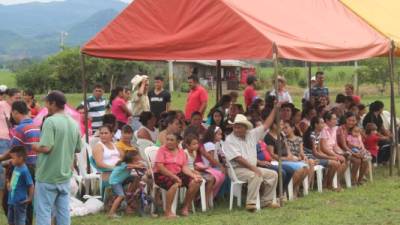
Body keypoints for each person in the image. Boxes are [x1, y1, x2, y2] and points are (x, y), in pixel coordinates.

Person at [33, 90, 82, 225]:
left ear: (53, 103)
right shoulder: (73, 123)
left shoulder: (50, 121)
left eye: (47, 103)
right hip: (65, 176)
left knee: (43, 212)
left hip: (47, 175)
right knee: (63, 213)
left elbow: (46, 148)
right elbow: (78, 148)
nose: (46, 107)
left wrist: (34, 146)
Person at [223, 105, 280, 212]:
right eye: (235, 127)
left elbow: (266, 125)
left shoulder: (251, 134)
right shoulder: (230, 140)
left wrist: (275, 109)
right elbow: (239, 159)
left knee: (273, 174)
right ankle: (251, 203)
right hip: (237, 170)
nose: (236, 129)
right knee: (255, 175)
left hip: (250, 167)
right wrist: (255, 168)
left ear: (245, 127)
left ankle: (266, 201)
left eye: (239, 127)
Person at [0, 101, 40, 225]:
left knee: (9, 199)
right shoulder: (36, 126)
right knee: (27, 200)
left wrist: (1, 158)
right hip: (34, 167)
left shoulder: (20, 128)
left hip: (21, 167)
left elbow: (13, 151)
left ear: (16, 112)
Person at [154, 133, 202, 218]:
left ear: (178, 142)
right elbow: (160, 167)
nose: (168, 142)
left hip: (178, 173)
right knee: (174, 184)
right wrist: (174, 177)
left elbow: (184, 167)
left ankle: (185, 208)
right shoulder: (162, 150)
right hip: (161, 174)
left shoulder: (181, 152)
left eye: (171, 140)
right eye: (167, 139)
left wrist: (193, 175)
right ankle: (168, 212)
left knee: (196, 181)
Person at [264, 121, 307, 199]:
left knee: (305, 167)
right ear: (274, 125)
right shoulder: (268, 137)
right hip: (278, 160)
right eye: (280, 124)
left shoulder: (281, 134)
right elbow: (271, 154)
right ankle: (287, 191)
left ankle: (293, 190)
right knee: (300, 169)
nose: (282, 127)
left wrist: (291, 157)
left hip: (287, 159)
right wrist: (285, 158)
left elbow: (287, 149)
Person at [184, 134, 224, 209]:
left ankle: (205, 201)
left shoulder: (194, 152)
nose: (196, 146)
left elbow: (193, 164)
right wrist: (195, 171)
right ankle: (195, 200)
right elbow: (185, 167)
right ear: (187, 145)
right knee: (202, 179)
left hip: (194, 171)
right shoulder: (185, 153)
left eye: (197, 144)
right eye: (194, 144)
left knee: (211, 178)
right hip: (188, 173)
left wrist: (200, 168)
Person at [303, 117, 340, 190]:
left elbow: (319, 150)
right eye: (322, 123)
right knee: (335, 163)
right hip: (310, 157)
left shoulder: (318, 134)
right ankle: (328, 185)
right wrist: (331, 157)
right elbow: (315, 153)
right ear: (316, 124)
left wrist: (327, 156)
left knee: (336, 163)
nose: (324, 125)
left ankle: (327, 184)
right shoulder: (312, 135)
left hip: (315, 156)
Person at [108, 151, 146, 218]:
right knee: (121, 196)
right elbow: (131, 166)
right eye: (135, 160)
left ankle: (129, 193)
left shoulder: (130, 163)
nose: (137, 161)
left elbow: (138, 165)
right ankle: (111, 213)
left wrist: (141, 164)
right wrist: (138, 165)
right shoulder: (124, 164)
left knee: (136, 178)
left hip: (122, 179)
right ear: (130, 160)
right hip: (115, 182)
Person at [0, 88, 21, 204]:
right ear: (8, 97)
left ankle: (7, 197)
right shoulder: (1, 105)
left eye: (19, 98)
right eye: (16, 98)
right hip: (2, 139)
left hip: (12, 139)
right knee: (3, 169)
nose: (18, 100)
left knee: (10, 168)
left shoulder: (16, 108)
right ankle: (3, 199)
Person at [337, 112, 368, 185]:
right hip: (343, 151)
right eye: (349, 120)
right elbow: (344, 146)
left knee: (365, 159)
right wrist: (354, 154)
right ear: (345, 120)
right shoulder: (341, 129)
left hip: (355, 150)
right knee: (357, 161)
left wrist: (363, 150)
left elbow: (360, 142)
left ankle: (359, 180)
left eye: (353, 120)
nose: (351, 122)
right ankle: (353, 180)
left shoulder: (355, 128)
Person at [282, 121, 315, 188]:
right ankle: (298, 186)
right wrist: (297, 158)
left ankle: (307, 186)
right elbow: (289, 153)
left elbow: (301, 152)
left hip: (298, 157)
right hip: (290, 158)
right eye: (283, 129)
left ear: (293, 128)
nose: (284, 130)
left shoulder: (299, 139)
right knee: (304, 165)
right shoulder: (284, 140)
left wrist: (303, 157)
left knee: (311, 161)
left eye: (286, 128)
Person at [7, 146, 34, 225]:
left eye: (13, 158)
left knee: (20, 221)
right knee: (10, 220)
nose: (11, 160)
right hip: (11, 200)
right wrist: (9, 184)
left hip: (20, 202)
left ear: (21, 158)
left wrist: (29, 198)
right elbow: (14, 181)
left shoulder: (24, 170)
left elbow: (31, 185)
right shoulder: (16, 167)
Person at [320, 112, 348, 189]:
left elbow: (335, 146)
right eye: (334, 119)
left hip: (331, 152)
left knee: (345, 161)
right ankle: (329, 183)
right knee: (338, 161)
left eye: (336, 119)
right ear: (327, 120)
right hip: (324, 153)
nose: (336, 120)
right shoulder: (323, 130)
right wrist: (336, 155)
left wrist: (343, 153)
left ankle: (335, 182)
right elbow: (324, 148)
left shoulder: (334, 129)